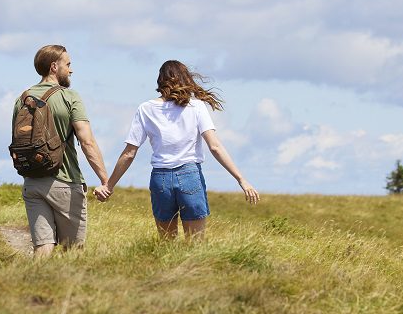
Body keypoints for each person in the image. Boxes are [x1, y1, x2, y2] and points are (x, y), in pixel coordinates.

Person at [95, 60, 258, 239]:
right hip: (190, 176)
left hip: (161, 179)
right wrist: (241, 180)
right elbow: (215, 147)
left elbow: (129, 153)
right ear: (185, 78)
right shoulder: (196, 107)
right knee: (195, 244)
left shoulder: (146, 109)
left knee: (166, 243)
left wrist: (108, 186)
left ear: (160, 81)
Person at [14, 44, 111, 257]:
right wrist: (105, 180)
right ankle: (66, 281)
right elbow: (87, 142)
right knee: (72, 251)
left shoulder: (22, 99)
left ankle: (33, 278)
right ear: (54, 67)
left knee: (42, 246)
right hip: (65, 183)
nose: (71, 69)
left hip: (32, 182)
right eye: (68, 64)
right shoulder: (70, 97)